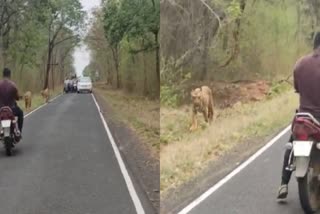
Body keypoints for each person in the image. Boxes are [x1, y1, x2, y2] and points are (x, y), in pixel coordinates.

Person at [277, 32, 320, 200]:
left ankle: (283, 184)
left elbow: (297, 88)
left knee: (292, 144)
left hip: (305, 118)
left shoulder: (300, 64)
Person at [0, 68, 23, 140]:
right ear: (10, 75)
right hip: (12, 109)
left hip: (1, 110)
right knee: (20, 113)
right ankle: (18, 131)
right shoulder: (13, 85)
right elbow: (17, 97)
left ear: (2, 75)